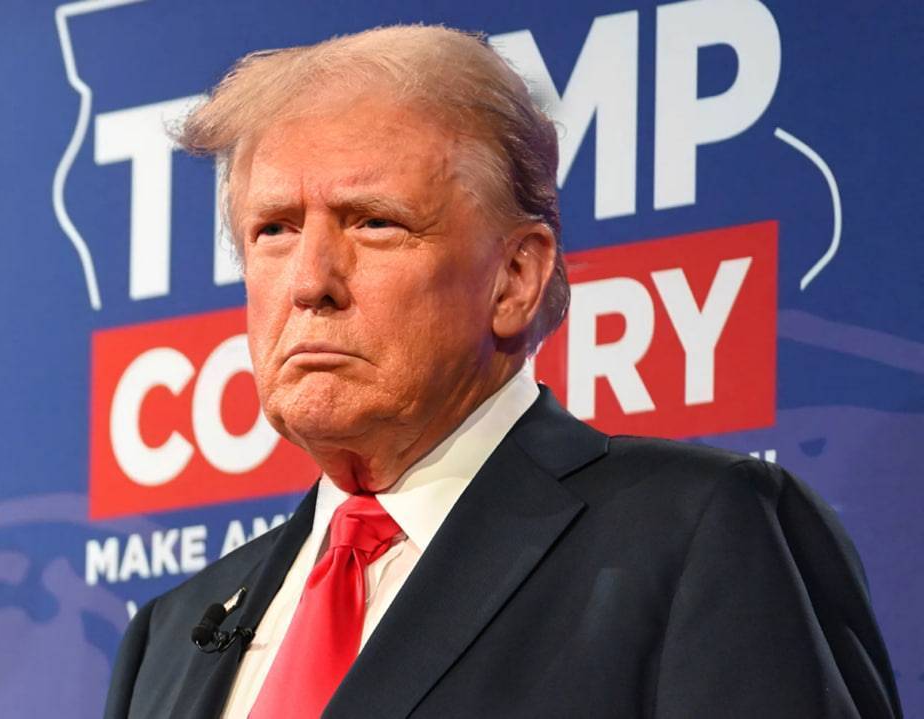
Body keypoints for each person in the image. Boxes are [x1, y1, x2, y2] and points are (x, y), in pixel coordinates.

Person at [103, 25, 901, 719]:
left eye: (374, 222)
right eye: (273, 230)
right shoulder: (170, 635)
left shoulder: (700, 533)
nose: (310, 281)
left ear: (515, 278)